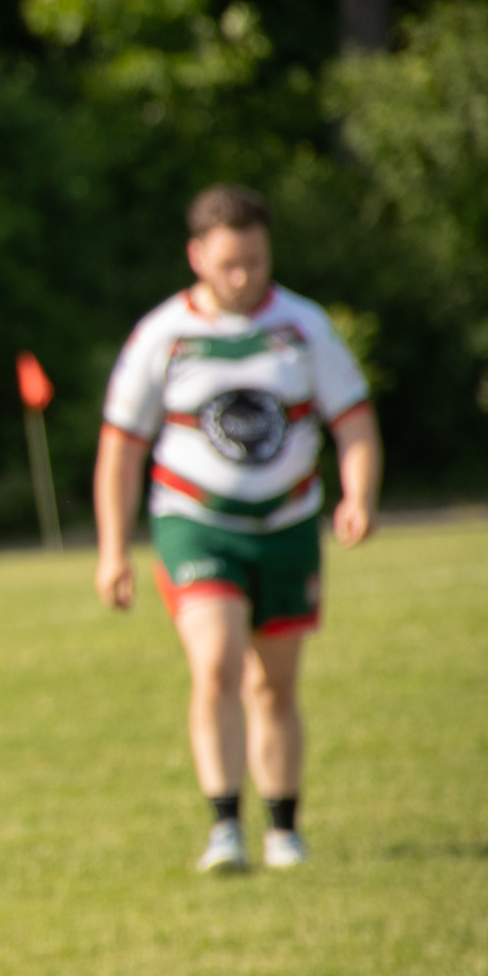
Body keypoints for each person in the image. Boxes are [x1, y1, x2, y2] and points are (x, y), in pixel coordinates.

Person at [93, 184, 381, 874]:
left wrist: (359, 494)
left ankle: (283, 828)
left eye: (256, 260)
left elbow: (354, 422)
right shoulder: (163, 334)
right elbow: (121, 447)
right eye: (229, 264)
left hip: (286, 525)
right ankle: (225, 826)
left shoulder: (304, 326)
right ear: (197, 257)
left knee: (273, 686)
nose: (245, 276)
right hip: (196, 523)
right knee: (217, 659)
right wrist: (112, 550)